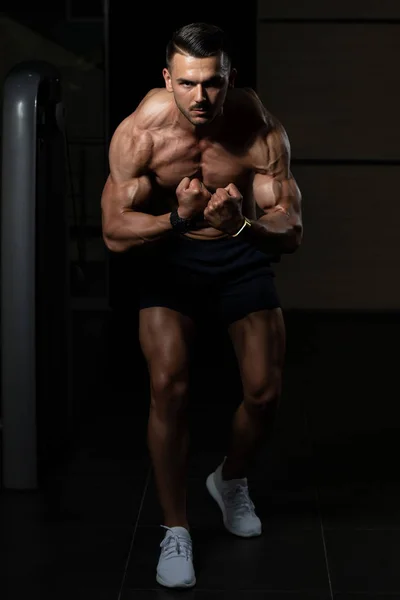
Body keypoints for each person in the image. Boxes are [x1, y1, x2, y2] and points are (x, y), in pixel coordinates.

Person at [101, 21, 303, 589]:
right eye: (187, 83)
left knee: (264, 392)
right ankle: (176, 528)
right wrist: (177, 219)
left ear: (228, 78)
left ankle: (230, 480)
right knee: (170, 386)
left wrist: (241, 225)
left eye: (211, 83)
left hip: (239, 256)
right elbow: (115, 232)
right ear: (168, 78)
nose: (200, 97)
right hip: (170, 258)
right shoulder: (142, 133)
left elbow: (291, 231)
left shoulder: (259, 130)